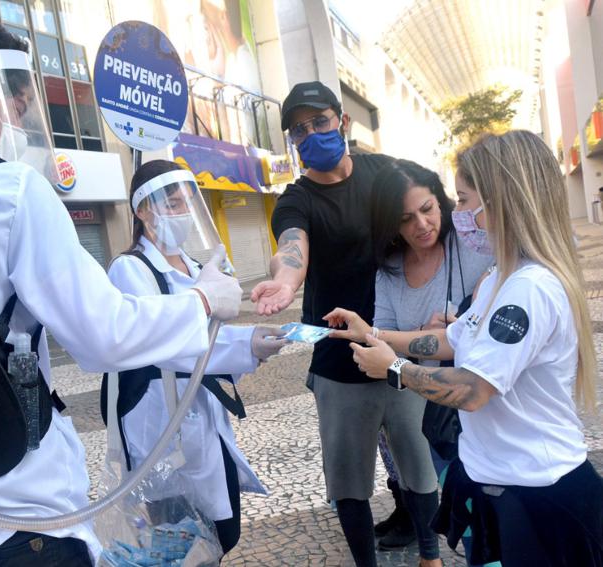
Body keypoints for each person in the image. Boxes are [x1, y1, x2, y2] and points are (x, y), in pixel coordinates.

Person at [0, 15, 243, 566]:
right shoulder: (6, 188)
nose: (18, 124)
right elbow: (104, 336)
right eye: (19, 106)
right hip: (18, 516)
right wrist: (203, 300)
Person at [326, 130, 603, 567]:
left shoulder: (528, 288)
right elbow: (450, 340)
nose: (459, 213)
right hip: (498, 485)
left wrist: (395, 368)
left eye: (464, 199)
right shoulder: (499, 279)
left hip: (539, 495)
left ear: (502, 201)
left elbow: (474, 391)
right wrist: (371, 334)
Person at [251, 81, 438, 567]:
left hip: (397, 346)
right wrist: (287, 282)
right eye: (299, 130)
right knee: (349, 477)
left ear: (343, 121)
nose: (312, 134)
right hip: (337, 356)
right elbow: (293, 245)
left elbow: (429, 223)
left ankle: (431, 554)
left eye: (320, 122)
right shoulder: (298, 197)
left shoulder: (384, 173)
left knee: (418, 464)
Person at [103, 159, 288, 556]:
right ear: (142, 210)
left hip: (202, 419)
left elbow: (207, 334)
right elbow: (172, 342)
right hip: (161, 432)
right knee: (182, 542)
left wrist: (253, 337)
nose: (182, 212)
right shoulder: (129, 270)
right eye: (171, 203)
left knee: (221, 532)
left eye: (187, 201)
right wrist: (246, 346)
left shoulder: (194, 266)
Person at [368, 159, 492, 562]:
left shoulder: (473, 247)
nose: (421, 224)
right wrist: (423, 335)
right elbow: (380, 342)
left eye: (428, 209)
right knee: (464, 511)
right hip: (433, 416)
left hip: (483, 407)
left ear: (441, 202)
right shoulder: (388, 271)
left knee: (497, 515)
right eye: (406, 219)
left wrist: (466, 323)